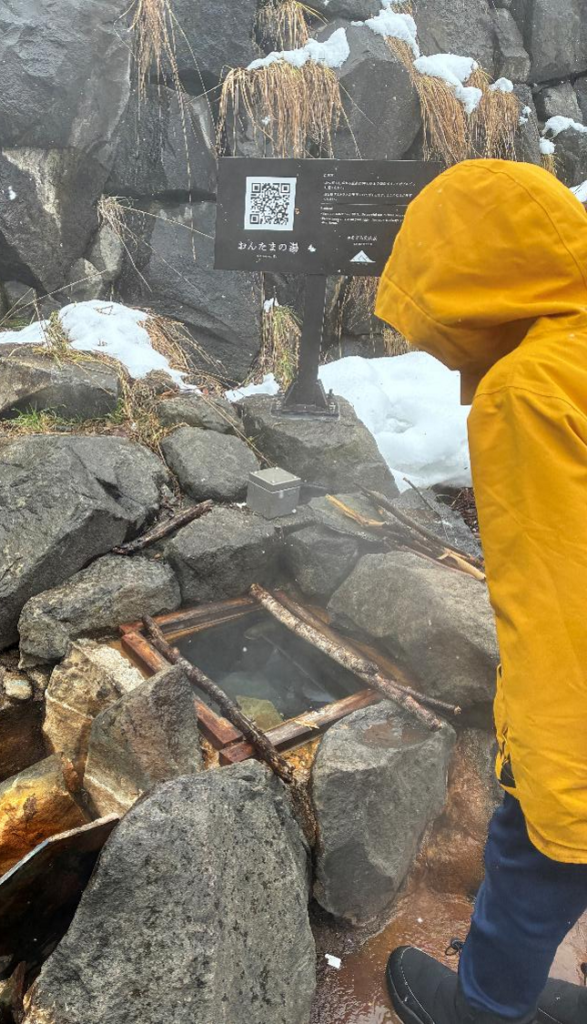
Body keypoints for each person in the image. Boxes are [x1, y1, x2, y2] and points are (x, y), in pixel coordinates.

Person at [374, 159, 587, 1024]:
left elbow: (558, 602)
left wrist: (559, 786)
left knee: (529, 860)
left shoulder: (530, 393)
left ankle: (482, 1009)